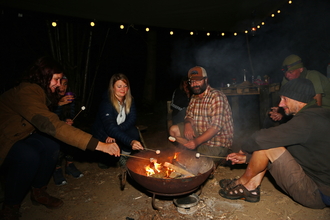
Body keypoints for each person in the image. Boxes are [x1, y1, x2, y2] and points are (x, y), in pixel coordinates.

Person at [0, 56, 120, 219]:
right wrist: (98, 145)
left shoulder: (41, 92)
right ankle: (10, 205)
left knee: (51, 145)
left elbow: (42, 116)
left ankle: (39, 191)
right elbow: (50, 124)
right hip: (5, 139)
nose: (59, 83)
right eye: (56, 79)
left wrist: (57, 105)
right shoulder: (26, 91)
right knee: (28, 156)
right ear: (43, 75)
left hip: (21, 135)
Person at [219, 78, 330, 209]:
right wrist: (247, 159)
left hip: (316, 193)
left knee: (267, 144)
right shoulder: (318, 114)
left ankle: (242, 182)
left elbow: (259, 138)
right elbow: (293, 153)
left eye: (285, 99)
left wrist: (243, 151)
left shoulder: (306, 122)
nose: (281, 104)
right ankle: (251, 188)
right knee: (270, 143)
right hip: (319, 185)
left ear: (298, 99)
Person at [169, 66, 234, 165]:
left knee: (197, 160)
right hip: (199, 135)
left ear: (206, 80)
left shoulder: (216, 96)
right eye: (192, 82)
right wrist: (188, 125)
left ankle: (210, 155)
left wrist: (196, 142)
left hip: (217, 142)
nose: (195, 84)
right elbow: (189, 116)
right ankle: (191, 151)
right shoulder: (194, 97)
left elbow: (216, 127)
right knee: (173, 130)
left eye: (198, 81)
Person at [92, 73, 144, 169]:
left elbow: (132, 120)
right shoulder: (106, 103)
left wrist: (117, 131)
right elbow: (108, 126)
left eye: (125, 86)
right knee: (109, 160)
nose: (123, 89)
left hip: (116, 130)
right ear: (112, 87)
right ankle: (104, 158)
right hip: (104, 133)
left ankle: (124, 156)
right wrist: (130, 142)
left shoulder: (129, 100)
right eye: (119, 86)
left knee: (133, 131)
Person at [268, 54, 330, 125]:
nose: (287, 75)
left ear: (301, 69)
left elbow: (317, 107)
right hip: (303, 110)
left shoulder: (313, 77)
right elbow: (284, 100)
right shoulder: (287, 79)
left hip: (325, 110)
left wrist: (285, 113)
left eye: (291, 72)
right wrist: (280, 111)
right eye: (285, 73)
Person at [52, 76, 84, 186]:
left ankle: (69, 165)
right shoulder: (48, 98)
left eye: (65, 84)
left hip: (64, 127)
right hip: (50, 129)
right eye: (60, 84)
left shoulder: (69, 97)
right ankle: (57, 168)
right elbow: (47, 120)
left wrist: (70, 120)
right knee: (57, 141)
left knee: (72, 133)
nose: (62, 87)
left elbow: (73, 115)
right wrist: (59, 104)